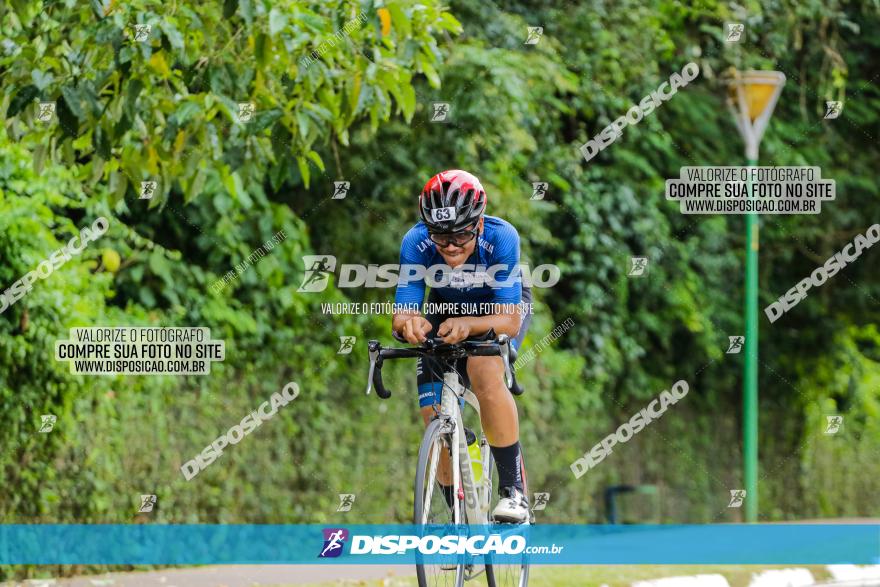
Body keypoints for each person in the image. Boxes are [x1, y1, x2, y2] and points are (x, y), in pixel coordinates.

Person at [392, 169, 532, 523]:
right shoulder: (416, 242)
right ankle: (460, 522)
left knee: (484, 371)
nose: (451, 246)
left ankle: (513, 491)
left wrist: (470, 325)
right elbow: (403, 311)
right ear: (428, 229)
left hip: (499, 308)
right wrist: (411, 324)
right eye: (441, 236)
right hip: (445, 306)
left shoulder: (501, 237)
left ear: (480, 224)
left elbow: (509, 321)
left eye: (461, 235)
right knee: (431, 415)